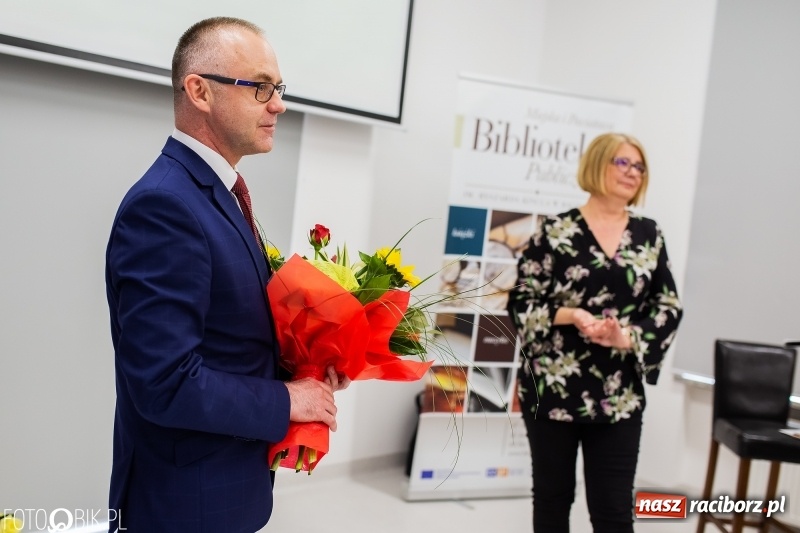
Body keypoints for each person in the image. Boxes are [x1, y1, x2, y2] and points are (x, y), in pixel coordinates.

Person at [105, 17, 349, 532]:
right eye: (260, 87)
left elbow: (228, 340)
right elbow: (164, 383)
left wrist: (303, 369)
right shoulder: (164, 205)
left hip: (225, 491)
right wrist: (289, 400)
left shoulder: (214, 194)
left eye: (278, 88)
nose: (278, 104)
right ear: (200, 91)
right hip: (182, 506)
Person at [506, 132, 683, 532]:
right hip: (552, 388)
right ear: (597, 165)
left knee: (613, 509)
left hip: (619, 393)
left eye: (639, 166)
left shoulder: (649, 234)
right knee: (552, 500)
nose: (633, 172)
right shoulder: (554, 231)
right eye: (623, 163)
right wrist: (573, 315)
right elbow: (521, 303)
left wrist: (628, 336)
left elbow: (667, 305)